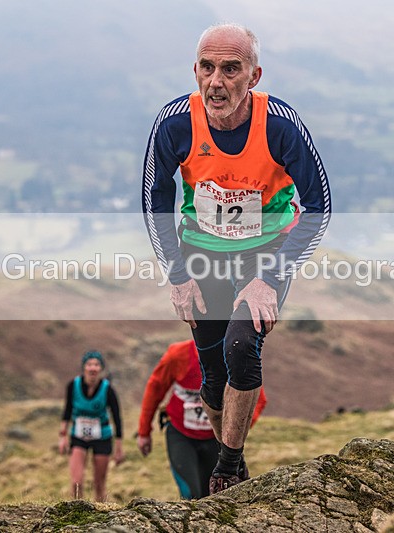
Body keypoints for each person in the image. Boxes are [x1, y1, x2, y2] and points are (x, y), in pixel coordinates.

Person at [141, 23, 330, 494]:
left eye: (231, 69)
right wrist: (178, 275)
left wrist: (271, 278)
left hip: (264, 252)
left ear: (254, 76)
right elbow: (155, 200)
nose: (216, 82)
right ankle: (235, 461)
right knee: (212, 378)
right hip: (202, 250)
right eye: (207, 68)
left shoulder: (280, 125)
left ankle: (226, 469)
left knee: (242, 347)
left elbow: (319, 206)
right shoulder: (175, 123)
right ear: (195, 70)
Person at [137, 339, 267, 499]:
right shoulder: (178, 355)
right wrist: (144, 432)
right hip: (181, 435)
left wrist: (234, 430)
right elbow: (155, 389)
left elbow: (258, 399)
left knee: (215, 497)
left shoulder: (234, 357)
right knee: (190, 496)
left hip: (216, 440)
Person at [58, 350, 125, 502]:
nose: (93, 368)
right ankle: (75, 511)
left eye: (96, 364)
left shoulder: (108, 389)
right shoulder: (73, 386)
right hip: (78, 436)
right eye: (89, 364)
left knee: (99, 484)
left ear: (101, 368)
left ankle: (100, 513)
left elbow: (117, 418)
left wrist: (119, 447)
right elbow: (67, 411)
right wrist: (62, 436)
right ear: (84, 367)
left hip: (102, 437)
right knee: (76, 482)